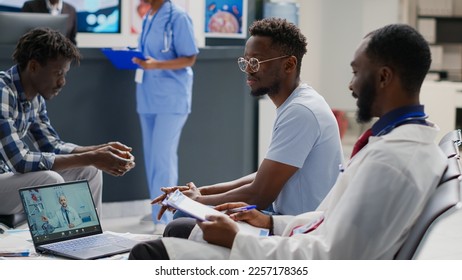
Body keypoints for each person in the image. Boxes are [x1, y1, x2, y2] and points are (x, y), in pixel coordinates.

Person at [128, 23, 448, 260]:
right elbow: (326, 218)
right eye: (246, 62)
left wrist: (239, 239)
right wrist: (268, 221)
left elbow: (333, 257)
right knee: (180, 230)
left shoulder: (391, 160)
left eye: (355, 72)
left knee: (151, 250)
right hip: (296, 230)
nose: (350, 86)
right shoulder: (398, 144)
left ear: (383, 77)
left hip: (298, 252)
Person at [152, 17, 343, 231]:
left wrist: (196, 201)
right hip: (283, 216)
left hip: (298, 229)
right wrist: (203, 192)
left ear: (289, 64)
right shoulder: (298, 103)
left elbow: (260, 194)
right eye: (245, 62)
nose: (248, 70)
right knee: (186, 211)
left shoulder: (301, 111)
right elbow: (265, 176)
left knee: (181, 223)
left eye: (256, 62)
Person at [0, 27, 135, 218]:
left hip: (5, 179)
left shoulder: (35, 98)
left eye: (64, 74)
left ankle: (93, 240)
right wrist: (92, 156)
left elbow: (53, 146)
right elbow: (20, 161)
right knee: (49, 179)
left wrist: (100, 151)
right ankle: (57, 244)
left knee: (89, 170)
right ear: (33, 66)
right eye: (58, 73)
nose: (62, 82)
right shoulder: (2, 91)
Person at [131, 0, 199, 226]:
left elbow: (190, 57)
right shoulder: (150, 14)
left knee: (163, 158)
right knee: (151, 158)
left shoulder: (178, 17)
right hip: (148, 95)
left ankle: (166, 218)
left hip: (171, 97)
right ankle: (156, 209)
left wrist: (156, 65)